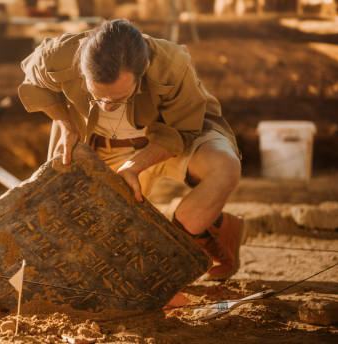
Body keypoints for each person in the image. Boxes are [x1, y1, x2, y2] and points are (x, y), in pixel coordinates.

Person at [18, 19, 244, 281]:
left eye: (117, 99)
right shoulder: (59, 55)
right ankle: (214, 226)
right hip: (101, 145)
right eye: (96, 96)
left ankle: (185, 248)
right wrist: (66, 124)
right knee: (83, 241)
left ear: (144, 68)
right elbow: (33, 81)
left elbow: (183, 130)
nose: (105, 107)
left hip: (170, 136)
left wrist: (135, 166)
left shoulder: (172, 62)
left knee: (225, 168)